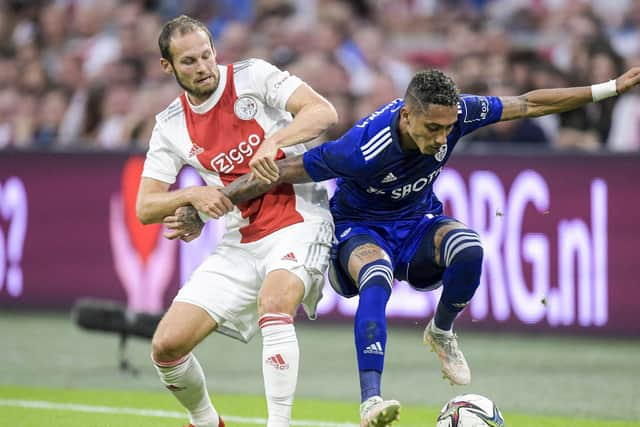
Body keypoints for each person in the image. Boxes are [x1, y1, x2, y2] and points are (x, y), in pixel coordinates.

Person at [165, 66, 640, 427]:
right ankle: (371, 399)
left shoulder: (456, 116)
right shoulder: (360, 147)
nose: (440, 140)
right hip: (359, 230)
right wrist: (206, 206)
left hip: (417, 223)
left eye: (446, 130)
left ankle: (442, 331)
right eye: (431, 129)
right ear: (407, 115)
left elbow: (527, 104)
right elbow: (284, 172)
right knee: (377, 278)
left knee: (471, 247)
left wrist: (611, 87)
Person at [136, 15, 337, 427]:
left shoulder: (252, 77)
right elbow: (145, 207)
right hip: (241, 239)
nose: (204, 67)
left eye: (207, 55)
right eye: (189, 61)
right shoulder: (170, 125)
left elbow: (323, 112)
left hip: (299, 219)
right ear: (167, 67)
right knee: (167, 346)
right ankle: (207, 421)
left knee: (275, 303)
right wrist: (193, 194)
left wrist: (273, 141)